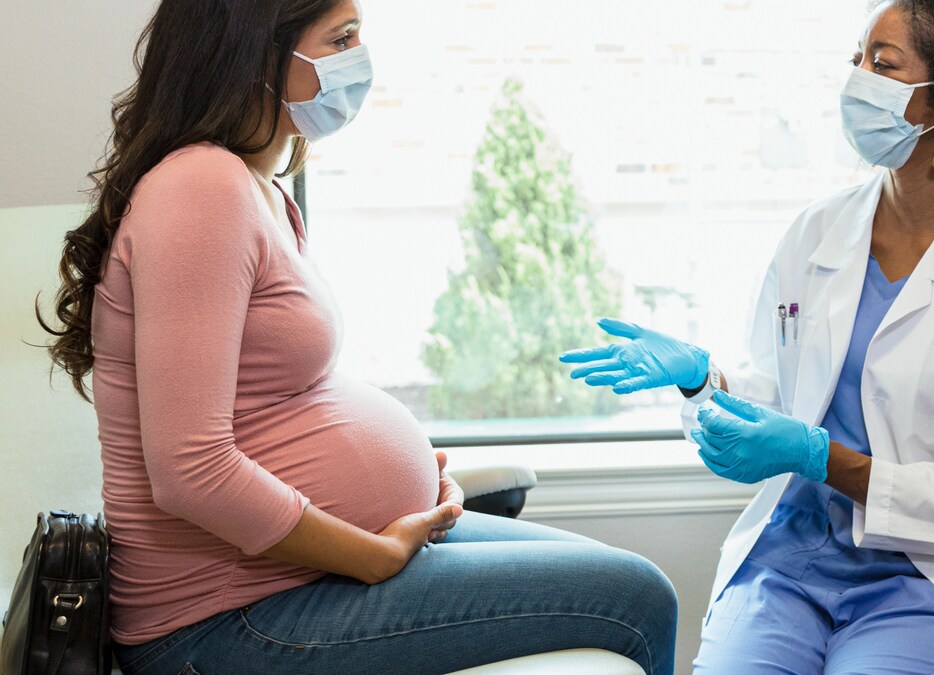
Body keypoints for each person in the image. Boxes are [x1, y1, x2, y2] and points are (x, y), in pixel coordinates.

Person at [37, 1, 677, 673]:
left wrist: (403, 484)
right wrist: (374, 552)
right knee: (635, 599)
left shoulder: (260, 185)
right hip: (222, 620)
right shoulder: (200, 188)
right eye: (340, 40)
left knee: (626, 577)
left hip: (294, 577)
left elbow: (274, 398)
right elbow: (191, 472)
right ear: (259, 53)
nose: (357, 60)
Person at [561, 0, 934, 672]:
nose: (857, 79)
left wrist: (820, 456)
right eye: (857, 58)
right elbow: (778, 398)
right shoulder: (817, 234)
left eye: (883, 64)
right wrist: (704, 383)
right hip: (792, 563)